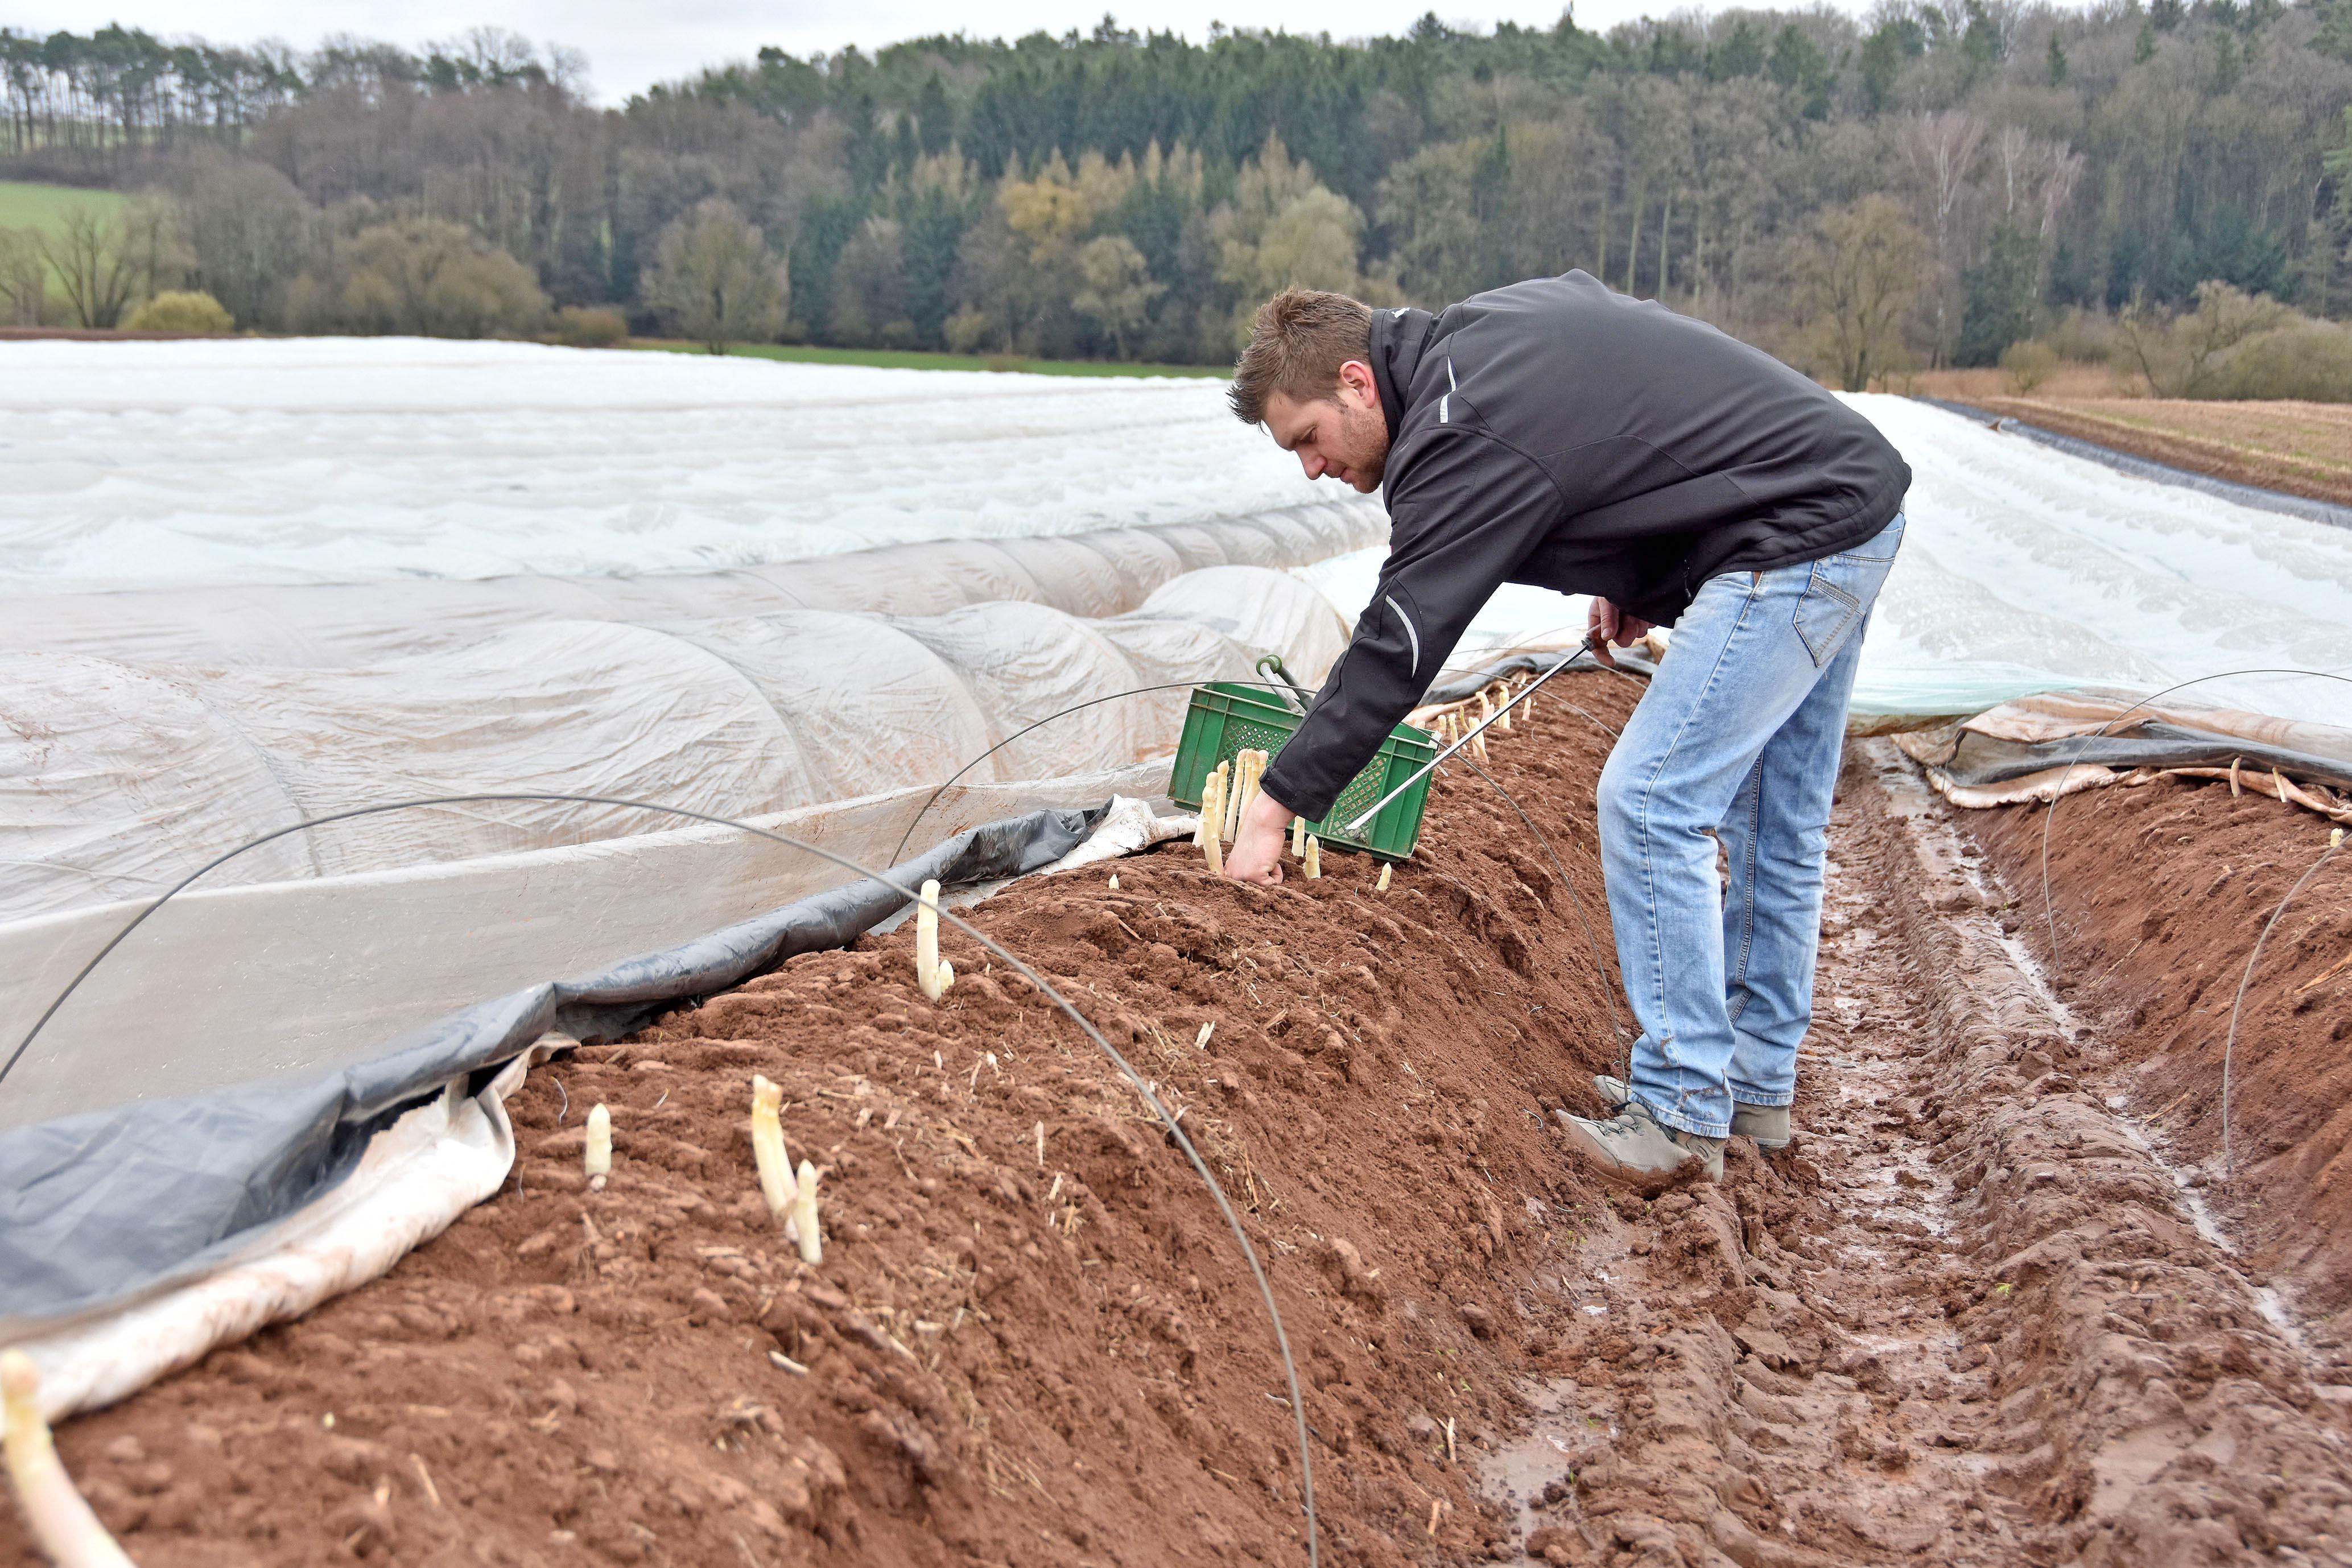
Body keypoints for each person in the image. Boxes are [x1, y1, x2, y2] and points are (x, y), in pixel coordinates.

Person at [1218, 277, 1909, 1182]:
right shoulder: (1481, 339)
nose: (1311, 467)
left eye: (1307, 439)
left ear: (1355, 382)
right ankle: (1751, 1091)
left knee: (1652, 800)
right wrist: (1638, 572)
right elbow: (1631, 411)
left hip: (1789, 538)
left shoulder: (1457, 425)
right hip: (1841, 502)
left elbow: (1404, 638)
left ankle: (1680, 1111)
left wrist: (1276, 804)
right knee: (1772, 822)